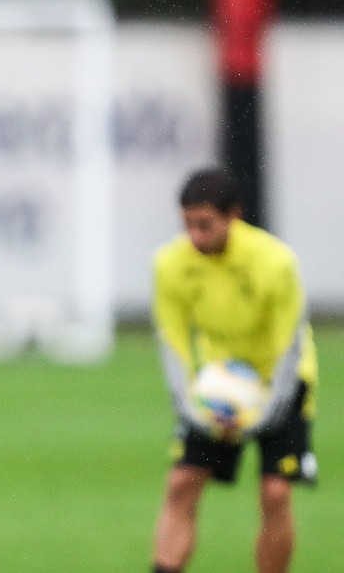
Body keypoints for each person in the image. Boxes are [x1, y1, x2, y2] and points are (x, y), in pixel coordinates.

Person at [150, 168, 318, 573]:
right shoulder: (170, 264)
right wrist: (191, 408)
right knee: (182, 483)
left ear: (234, 216)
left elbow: (288, 346)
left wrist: (264, 414)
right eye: (188, 225)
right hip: (219, 384)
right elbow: (172, 343)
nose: (195, 236)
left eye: (205, 225)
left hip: (282, 382)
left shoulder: (275, 261)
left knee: (276, 492)